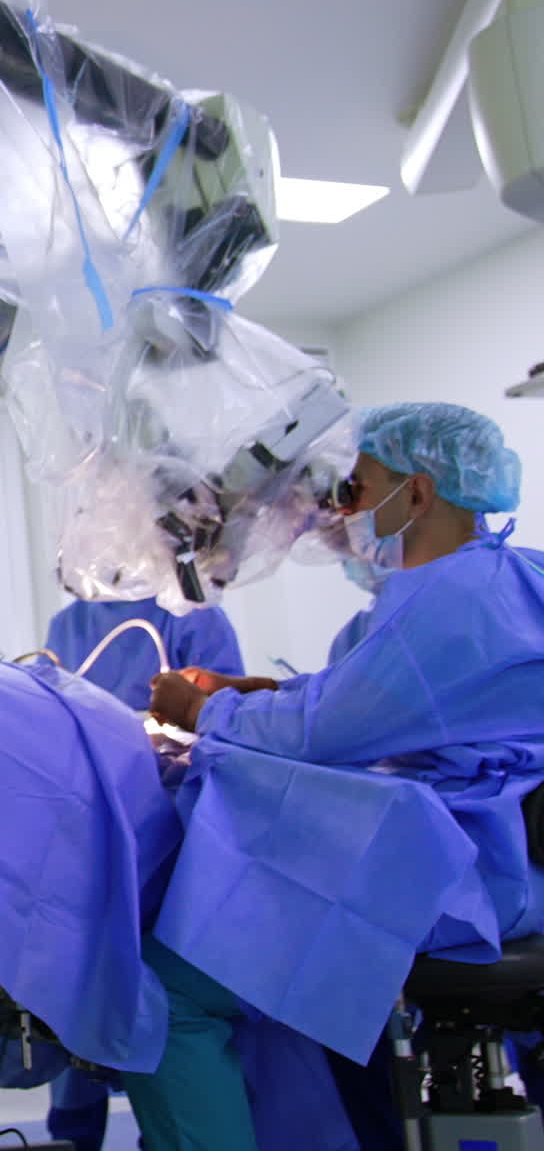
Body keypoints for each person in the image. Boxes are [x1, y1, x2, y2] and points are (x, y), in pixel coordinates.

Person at [125, 402, 544, 1151]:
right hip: (485, 854)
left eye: (356, 488)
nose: (339, 508)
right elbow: (368, 703)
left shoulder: (451, 598)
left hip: (457, 875)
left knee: (162, 989)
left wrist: (199, 711)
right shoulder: (500, 579)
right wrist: (248, 693)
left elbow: (328, 732)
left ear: (415, 495)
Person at [44, 594, 244, 1151]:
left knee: (143, 984)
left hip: (167, 829)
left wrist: (199, 710)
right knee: (97, 966)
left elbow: (224, 729)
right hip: (102, 821)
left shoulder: (191, 612)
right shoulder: (71, 620)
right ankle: (76, 1129)